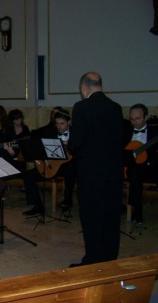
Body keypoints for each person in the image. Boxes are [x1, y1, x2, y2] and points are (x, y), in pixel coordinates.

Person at [67, 72, 124, 267]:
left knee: (91, 218)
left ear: (84, 88)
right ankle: (109, 259)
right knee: (110, 217)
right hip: (113, 174)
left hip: (91, 175)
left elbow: (75, 143)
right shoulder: (115, 108)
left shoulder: (81, 107)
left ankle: (92, 261)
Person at [22, 108, 76, 216]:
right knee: (28, 176)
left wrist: (69, 145)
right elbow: (40, 147)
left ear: (69, 122)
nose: (59, 126)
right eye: (57, 123)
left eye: (62, 123)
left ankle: (67, 201)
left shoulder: (76, 133)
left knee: (71, 169)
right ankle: (37, 205)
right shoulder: (50, 131)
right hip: (51, 164)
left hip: (67, 166)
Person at [125, 103, 158, 224]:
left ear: (146, 117)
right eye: (132, 119)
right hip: (130, 169)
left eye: (138, 118)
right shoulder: (125, 132)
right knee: (134, 173)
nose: (134, 122)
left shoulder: (155, 132)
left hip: (151, 168)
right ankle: (136, 211)